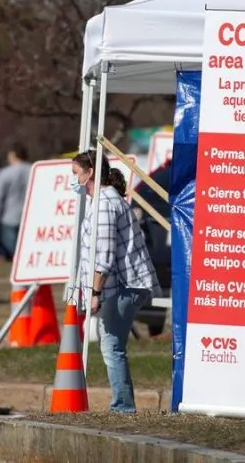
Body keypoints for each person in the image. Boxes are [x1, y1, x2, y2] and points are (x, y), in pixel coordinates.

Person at [70, 150, 162, 413]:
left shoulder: (105, 204)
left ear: (90, 173)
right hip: (125, 283)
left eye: (76, 173)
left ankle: (123, 407)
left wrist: (95, 292)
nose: (74, 179)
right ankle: (123, 404)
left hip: (126, 283)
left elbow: (104, 255)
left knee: (111, 344)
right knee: (111, 342)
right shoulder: (104, 201)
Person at [0, 142, 32, 259]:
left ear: (13, 155)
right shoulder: (34, 170)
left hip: (9, 216)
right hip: (30, 215)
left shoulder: (5, 173)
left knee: (12, 248)